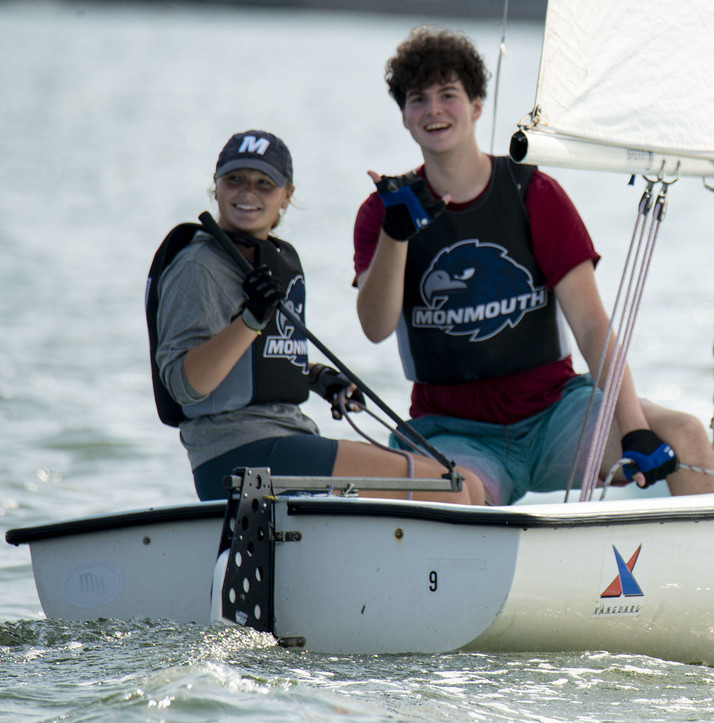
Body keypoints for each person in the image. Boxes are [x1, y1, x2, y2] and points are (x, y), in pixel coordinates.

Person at [352, 27, 714, 506]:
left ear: (476, 106)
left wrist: (634, 429)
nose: (434, 110)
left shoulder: (533, 193)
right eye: (418, 100)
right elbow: (375, 327)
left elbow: (592, 324)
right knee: (453, 492)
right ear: (404, 117)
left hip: (556, 417)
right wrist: (396, 232)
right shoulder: (382, 212)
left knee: (685, 433)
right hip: (455, 435)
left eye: (448, 95)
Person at [147, 129, 485, 505]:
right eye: (235, 180)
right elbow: (183, 384)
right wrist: (251, 321)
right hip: (238, 457)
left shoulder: (274, 258)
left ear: (287, 196)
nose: (247, 193)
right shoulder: (199, 266)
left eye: (264, 184)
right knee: (451, 488)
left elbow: (257, 365)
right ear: (217, 185)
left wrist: (315, 377)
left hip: (287, 441)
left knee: (471, 485)